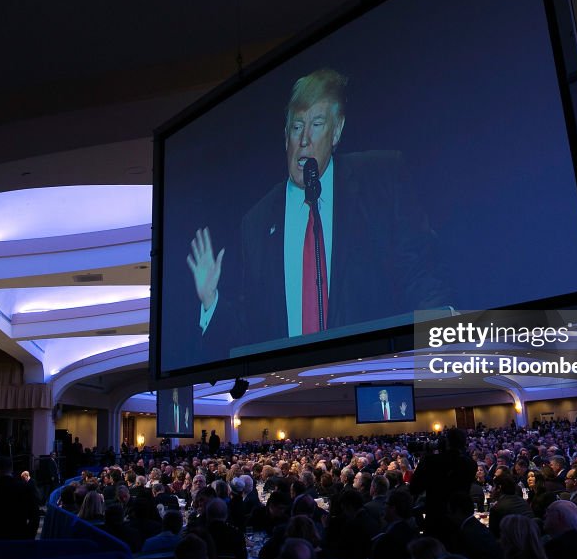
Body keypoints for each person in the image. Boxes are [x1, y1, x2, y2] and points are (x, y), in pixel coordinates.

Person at [187, 68, 448, 350]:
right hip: (299, 389)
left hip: (374, 374)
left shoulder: (380, 180)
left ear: (337, 131)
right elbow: (254, 330)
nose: (304, 140)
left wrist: (442, 334)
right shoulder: (257, 222)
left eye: (317, 124)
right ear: (285, 136)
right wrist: (211, 301)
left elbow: (419, 273)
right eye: (297, 127)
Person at [409, 428, 477, 539]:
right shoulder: (471, 464)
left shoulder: (431, 461)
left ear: (447, 442)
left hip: (436, 519)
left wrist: (426, 457)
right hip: (460, 520)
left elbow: (414, 488)